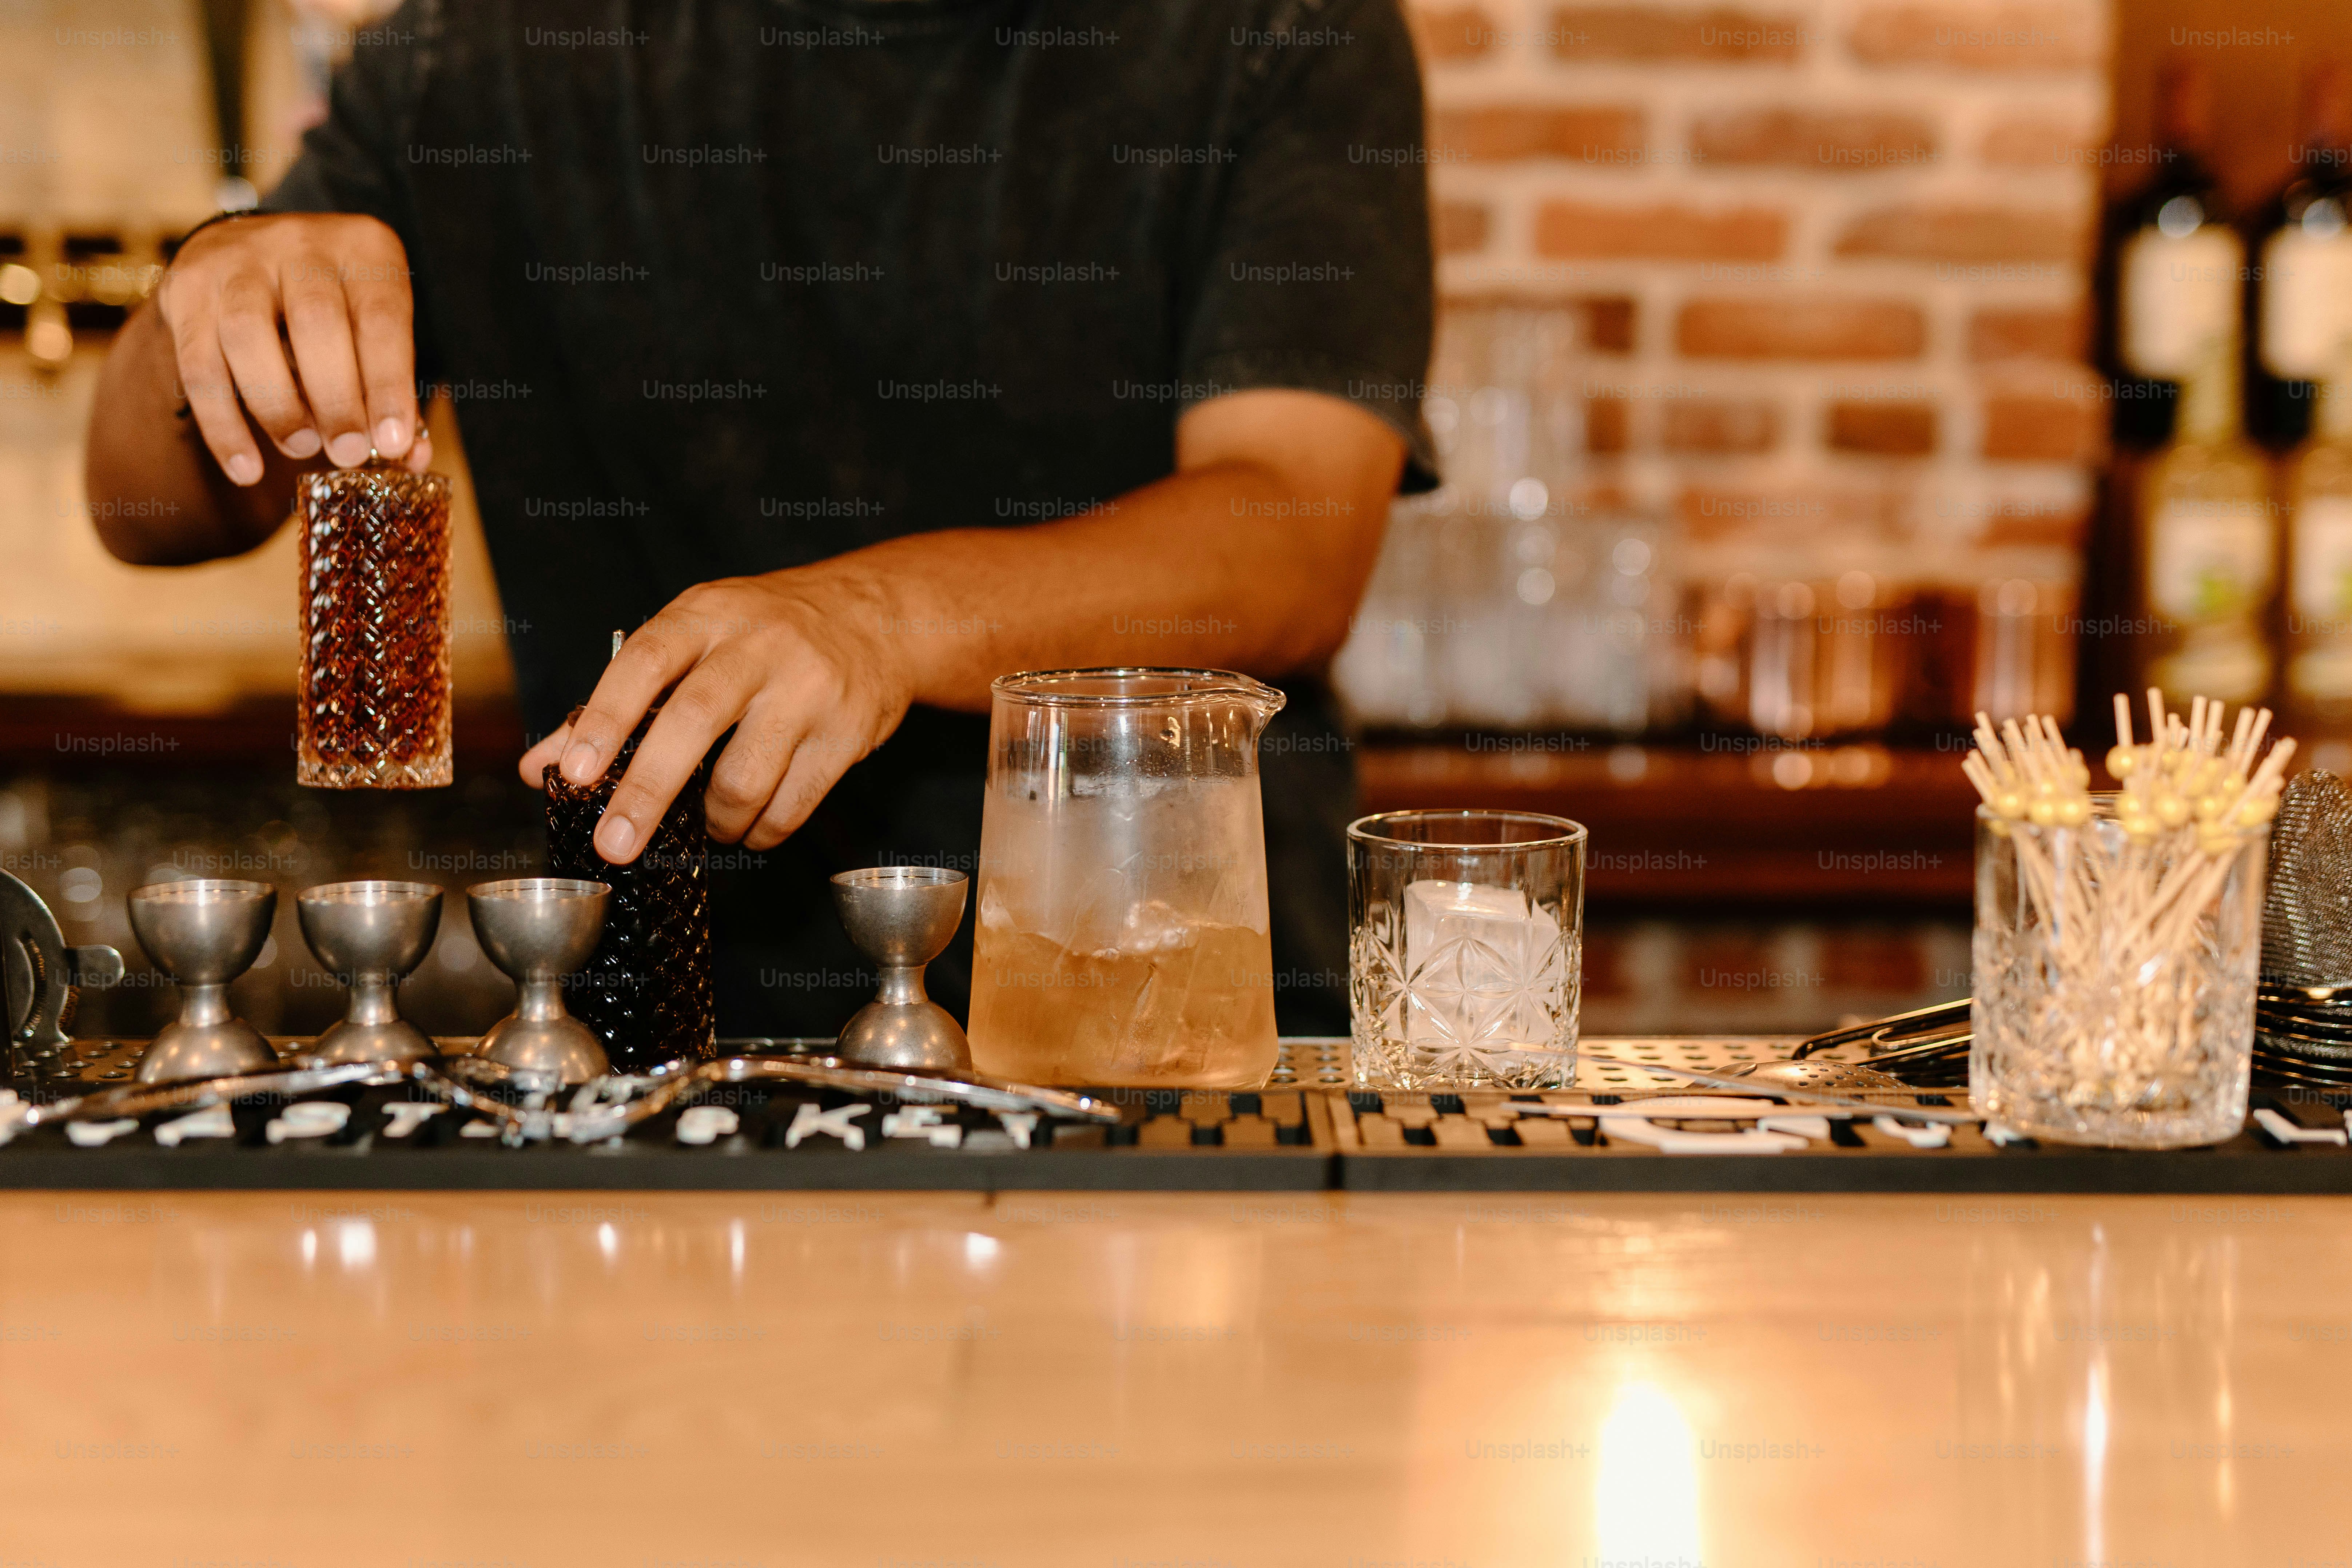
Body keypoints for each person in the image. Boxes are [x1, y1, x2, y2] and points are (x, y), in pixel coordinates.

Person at [84, 0, 1436, 1038]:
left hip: (1171, 1035)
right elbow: (153, 506)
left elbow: (1294, 537)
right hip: (658, 1057)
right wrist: (211, 291)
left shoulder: (1275, 31)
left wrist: (877, 619)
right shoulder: (480, 52)